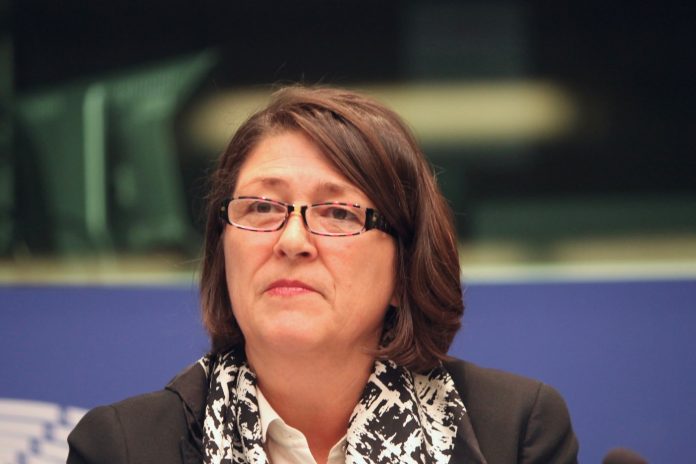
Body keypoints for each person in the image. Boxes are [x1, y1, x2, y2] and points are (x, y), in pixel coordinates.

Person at [67, 86, 578, 464]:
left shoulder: (512, 433)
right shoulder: (122, 447)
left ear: (405, 266)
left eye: (338, 213)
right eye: (262, 207)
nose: (292, 241)